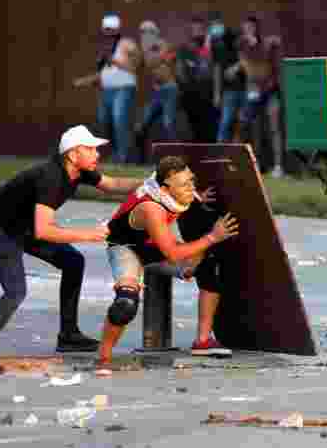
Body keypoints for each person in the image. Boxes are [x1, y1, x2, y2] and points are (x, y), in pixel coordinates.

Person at [0, 126, 145, 376]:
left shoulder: (79, 171)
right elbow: (43, 231)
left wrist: (151, 184)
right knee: (15, 292)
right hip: (0, 231)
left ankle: (68, 335)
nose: (97, 154)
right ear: (72, 154)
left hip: (23, 228)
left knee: (73, 261)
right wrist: (88, 234)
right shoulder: (50, 177)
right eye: (89, 149)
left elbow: (112, 184)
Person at [96, 155, 239, 371]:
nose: (190, 187)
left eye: (192, 180)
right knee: (125, 305)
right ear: (164, 190)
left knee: (208, 263)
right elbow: (172, 254)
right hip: (127, 249)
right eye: (185, 185)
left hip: (152, 246)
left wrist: (197, 195)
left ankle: (202, 341)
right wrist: (213, 236)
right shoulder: (151, 208)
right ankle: (104, 358)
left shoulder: (168, 188)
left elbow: (180, 191)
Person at [74, 13, 142, 164]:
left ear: (117, 29)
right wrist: (85, 81)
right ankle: (118, 153)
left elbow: (137, 61)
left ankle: (123, 157)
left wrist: (116, 61)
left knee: (120, 122)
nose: (108, 32)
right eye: (105, 29)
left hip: (123, 88)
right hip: (107, 90)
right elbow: (104, 73)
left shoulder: (125, 43)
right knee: (104, 122)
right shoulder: (104, 48)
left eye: (110, 29)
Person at [233, 14, 284, 175]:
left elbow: (272, 65)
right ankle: (255, 165)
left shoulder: (267, 44)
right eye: (246, 27)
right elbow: (244, 64)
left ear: (257, 28)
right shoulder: (242, 45)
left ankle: (278, 166)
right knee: (251, 127)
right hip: (253, 93)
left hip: (270, 91)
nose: (249, 30)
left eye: (252, 27)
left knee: (274, 127)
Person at [132, 20, 180, 155]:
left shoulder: (160, 44)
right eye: (142, 32)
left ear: (154, 33)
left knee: (168, 124)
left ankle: (178, 157)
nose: (144, 35)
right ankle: (139, 159)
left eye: (147, 32)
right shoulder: (146, 49)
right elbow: (140, 64)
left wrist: (149, 52)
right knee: (141, 125)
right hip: (158, 91)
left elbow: (160, 59)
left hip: (170, 89)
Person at [175, 16, 219, 143]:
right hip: (190, 98)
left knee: (209, 132)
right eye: (194, 29)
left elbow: (211, 69)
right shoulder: (183, 50)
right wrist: (183, 91)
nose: (197, 31)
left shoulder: (210, 48)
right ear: (190, 31)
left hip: (207, 97)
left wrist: (208, 43)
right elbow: (180, 73)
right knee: (193, 133)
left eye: (200, 29)